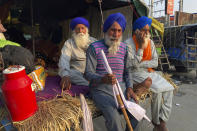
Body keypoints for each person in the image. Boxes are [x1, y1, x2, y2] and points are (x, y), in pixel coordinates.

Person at [84, 13, 151, 131]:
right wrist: (102, 78)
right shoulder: (94, 47)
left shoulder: (124, 48)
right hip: (101, 91)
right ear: (105, 30)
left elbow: (127, 71)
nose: (116, 34)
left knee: (137, 114)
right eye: (112, 30)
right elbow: (88, 74)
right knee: (114, 119)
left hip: (121, 90)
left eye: (119, 31)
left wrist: (130, 88)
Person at [125, 16, 174, 131]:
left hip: (147, 71)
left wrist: (141, 63)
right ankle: (157, 123)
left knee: (170, 89)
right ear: (137, 31)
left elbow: (155, 62)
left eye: (148, 30)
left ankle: (162, 120)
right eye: (144, 30)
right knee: (157, 90)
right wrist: (141, 48)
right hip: (134, 74)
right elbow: (130, 65)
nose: (147, 33)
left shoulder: (151, 42)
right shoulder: (128, 43)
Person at [58, 17, 97, 96]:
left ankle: (92, 83)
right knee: (69, 74)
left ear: (86, 29)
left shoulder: (94, 41)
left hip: (93, 72)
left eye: (82, 28)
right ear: (74, 31)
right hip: (77, 73)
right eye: (77, 29)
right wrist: (65, 75)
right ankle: (90, 85)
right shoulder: (69, 43)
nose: (80, 31)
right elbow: (64, 59)